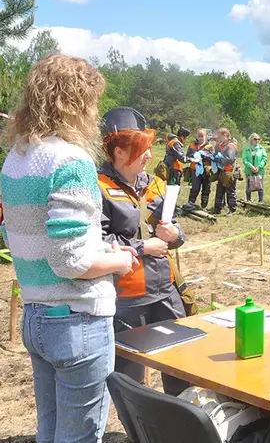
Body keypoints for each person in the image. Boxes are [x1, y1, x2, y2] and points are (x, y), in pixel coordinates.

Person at [0, 54, 137, 443]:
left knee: (50, 432)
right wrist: (119, 259)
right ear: (77, 103)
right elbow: (70, 260)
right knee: (80, 436)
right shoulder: (71, 159)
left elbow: (16, 236)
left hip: (35, 315)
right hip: (78, 321)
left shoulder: (17, 157)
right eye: (92, 103)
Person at [99, 106, 195, 397]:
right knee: (130, 379)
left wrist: (175, 234)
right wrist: (143, 247)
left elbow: (176, 232)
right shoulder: (98, 187)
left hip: (166, 291)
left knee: (182, 366)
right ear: (118, 151)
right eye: (142, 149)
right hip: (127, 297)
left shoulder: (156, 185)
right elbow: (100, 241)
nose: (149, 155)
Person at [213, 127, 239, 215]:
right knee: (219, 190)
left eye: (219, 136)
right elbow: (216, 154)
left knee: (230, 191)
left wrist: (218, 160)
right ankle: (217, 209)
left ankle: (232, 210)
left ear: (225, 135)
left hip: (230, 171)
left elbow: (229, 159)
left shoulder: (231, 146)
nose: (218, 137)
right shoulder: (221, 145)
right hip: (222, 171)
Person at [186, 128, 214, 209]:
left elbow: (212, 157)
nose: (200, 138)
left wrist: (203, 155)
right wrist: (194, 156)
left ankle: (203, 207)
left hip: (206, 171)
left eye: (202, 136)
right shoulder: (192, 145)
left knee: (206, 189)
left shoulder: (210, 146)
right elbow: (188, 156)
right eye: (199, 136)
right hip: (195, 170)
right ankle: (190, 205)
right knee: (195, 188)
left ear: (205, 137)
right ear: (196, 136)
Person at [243, 133, 268, 203]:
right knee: (248, 186)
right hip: (249, 170)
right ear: (251, 140)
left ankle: (260, 201)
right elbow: (244, 159)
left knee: (260, 186)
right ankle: (248, 200)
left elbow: (264, 159)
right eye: (255, 139)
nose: (257, 140)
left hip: (259, 170)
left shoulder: (261, 148)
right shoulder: (247, 149)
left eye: (258, 139)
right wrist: (250, 166)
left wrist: (259, 167)